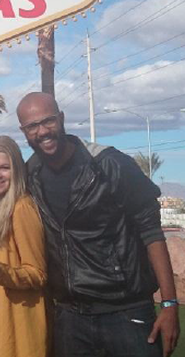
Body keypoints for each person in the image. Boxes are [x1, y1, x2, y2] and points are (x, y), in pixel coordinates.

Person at [16, 92, 180, 357]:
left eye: (48, 121)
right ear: (23, 131)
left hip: (126, 312)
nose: (42, 131)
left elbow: (151, 231)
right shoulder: (30, 176)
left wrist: (169, 303)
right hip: (70, 318)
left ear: (61, 118)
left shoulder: (109, 164)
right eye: (32, 126)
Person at [0, 136, 48, 357]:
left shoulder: (21, 207)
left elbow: (37, 274)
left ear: (16, 170)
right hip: (3, 324)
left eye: (4, 168)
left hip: (23, 327)